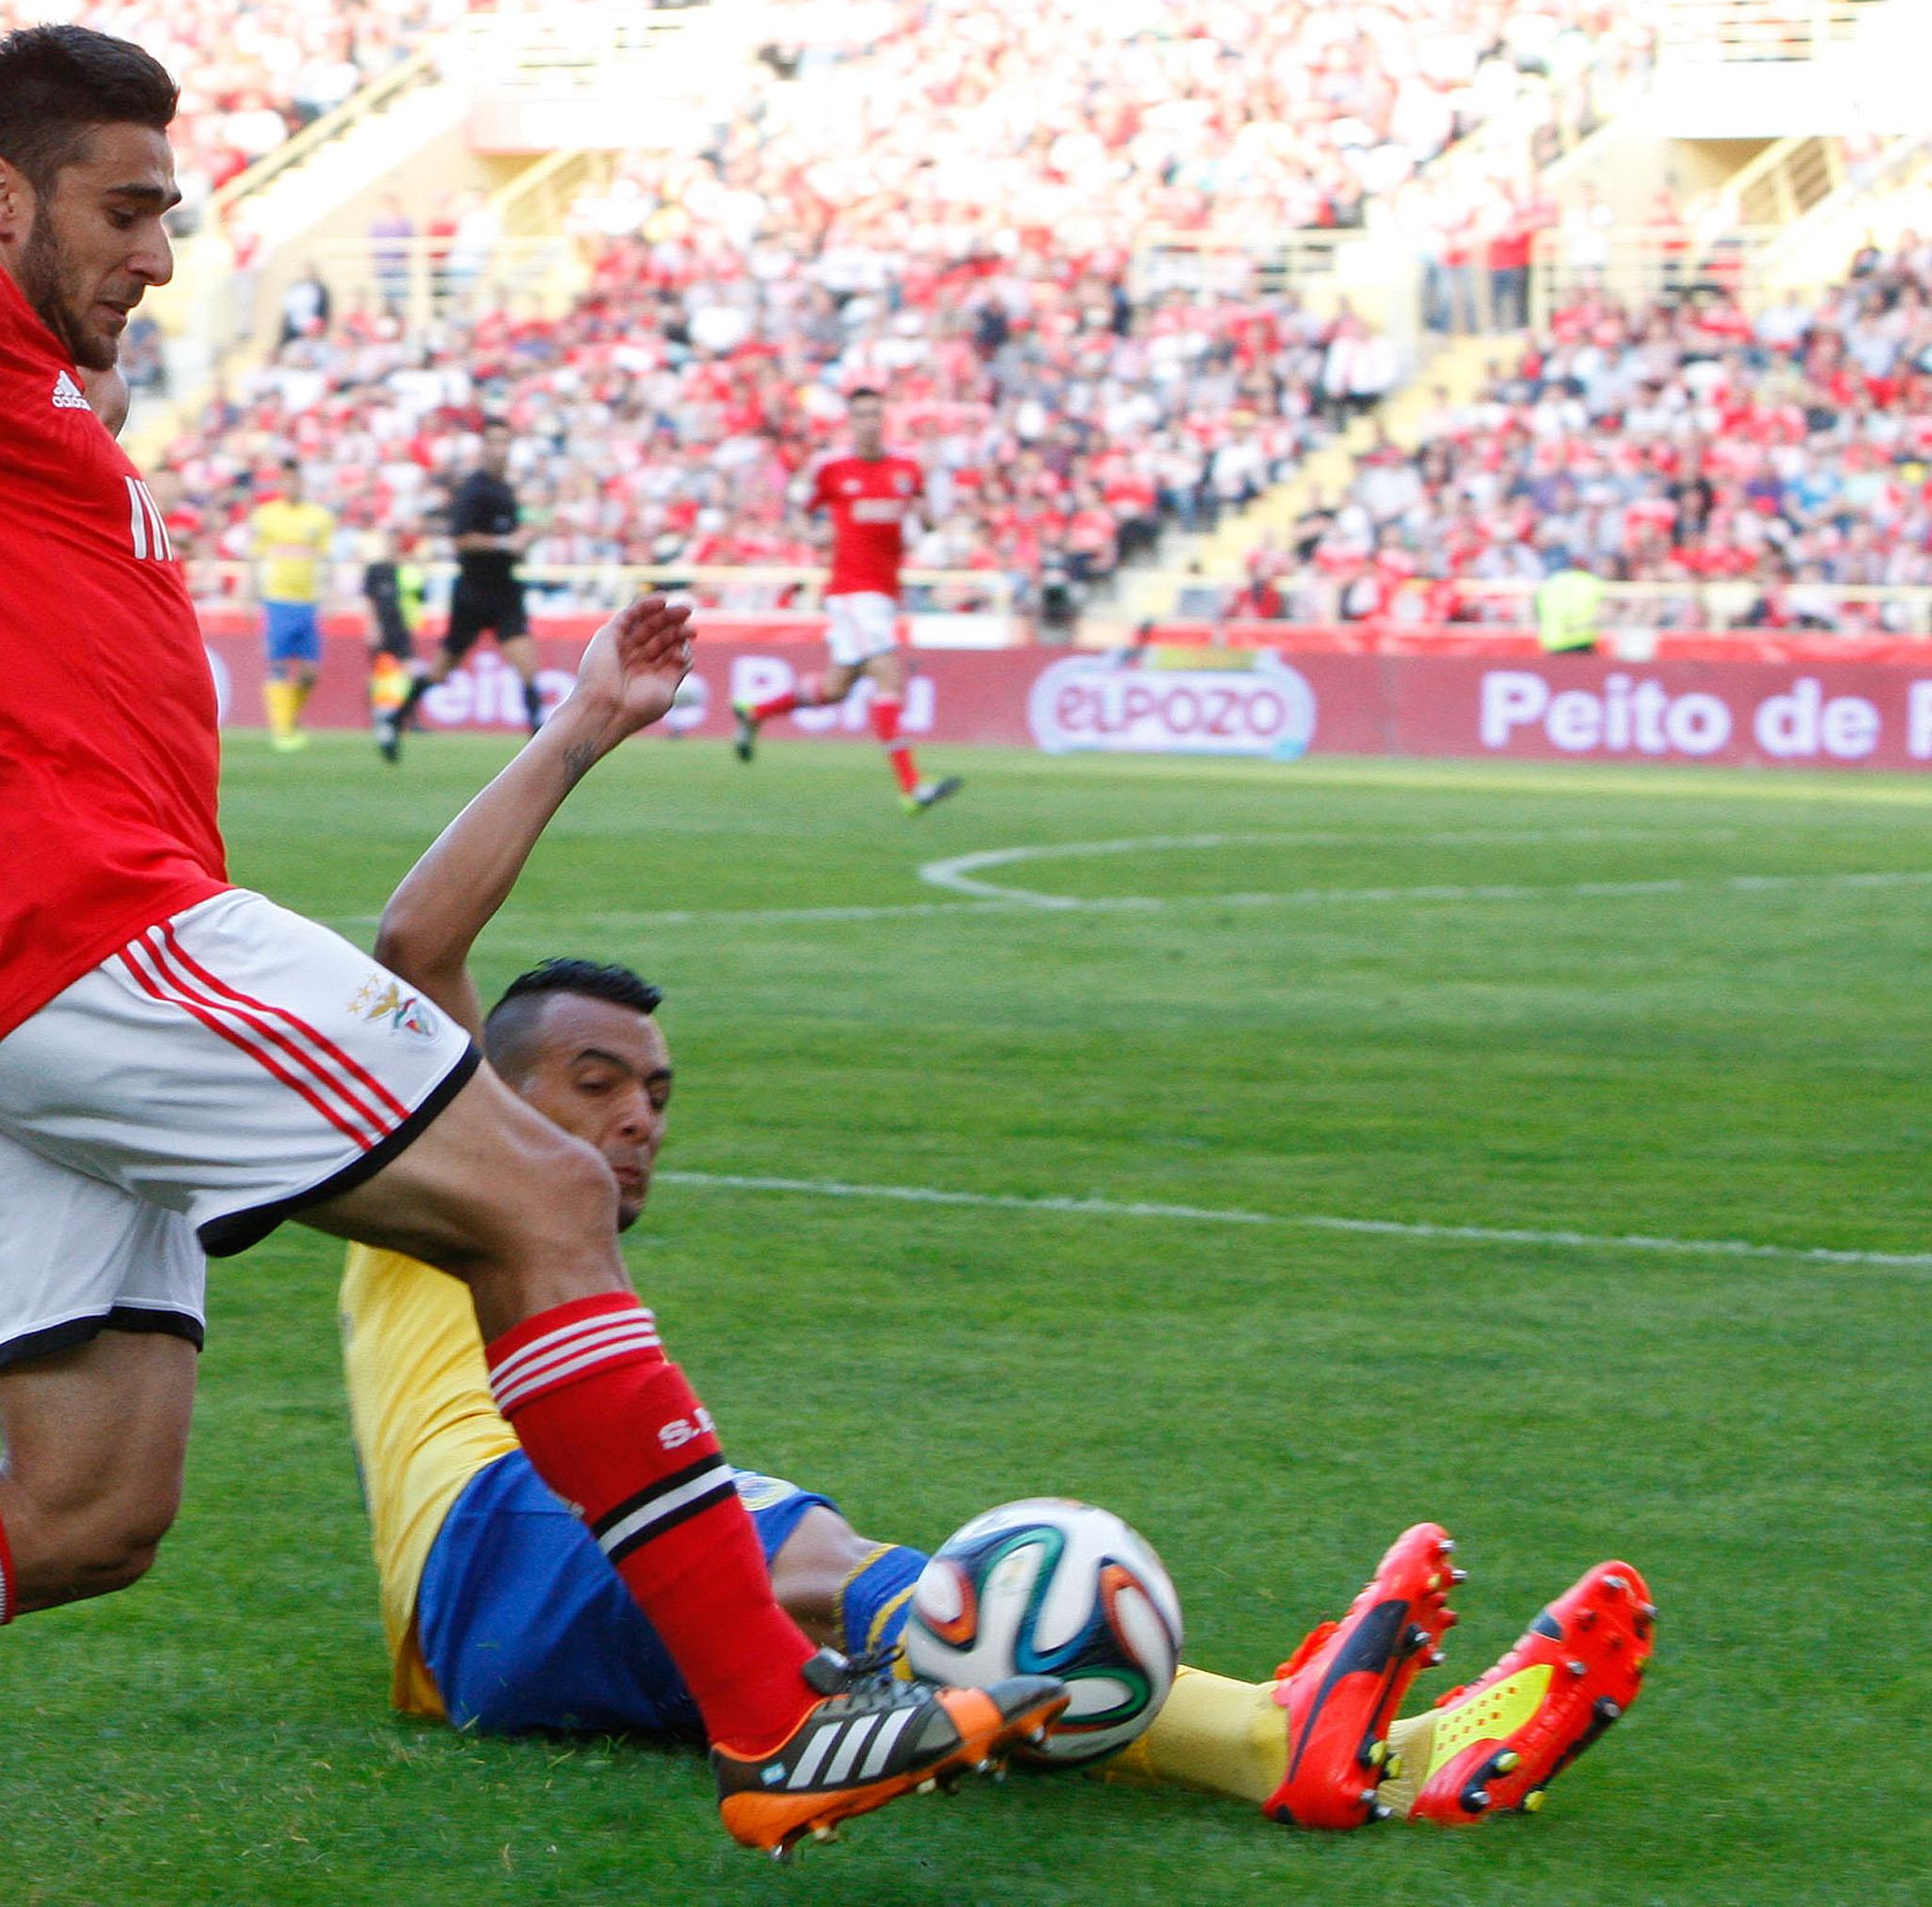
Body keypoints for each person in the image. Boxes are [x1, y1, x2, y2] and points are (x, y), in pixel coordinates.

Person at [0, 25, 1053, 1878]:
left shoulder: (24, 403)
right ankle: (773, 1719)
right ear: (0, 196)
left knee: (84, 1511)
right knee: (546, 1196)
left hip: (8, 996)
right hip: (94, 931)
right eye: (126, 207)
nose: (159, 251)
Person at [341, 653, 1657, 1830]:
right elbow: (415, 939)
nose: (638, 1118)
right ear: (488, 1087)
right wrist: (587, 719)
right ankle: (1283, 1728)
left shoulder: (544, 1240)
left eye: (659, 1095)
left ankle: (1361, 1748)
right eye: (596, 1080)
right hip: (494, 1540)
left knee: (908, 1684)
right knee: (825, 1563)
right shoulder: (449, 1145)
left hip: (499, 1615)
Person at [731, 388, 961, 814]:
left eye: (876, 414)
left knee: (837, 688)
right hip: (853, 593)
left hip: (883, 592)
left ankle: (756, 710)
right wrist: (812, 534)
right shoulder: (834, 471)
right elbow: (800, 511)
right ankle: (911, 787)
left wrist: (928, 515)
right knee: (888, 677)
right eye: (861, 415)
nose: (869, 422)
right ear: (850, 423)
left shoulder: (906, 470)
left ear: (884, 419)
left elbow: (926, 519)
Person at [381, 421, 538, 763]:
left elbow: (508, 542)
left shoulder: (506, 491)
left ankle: (541, 746)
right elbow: (460, 539)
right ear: (484, 448)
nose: (501, 449)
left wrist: (521, 543)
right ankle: (394, 719)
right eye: (495, 442)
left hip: (504, 590)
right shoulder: (474, 491)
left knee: (527, 668)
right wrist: (504, 542)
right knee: (440, 670)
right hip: (473, 593)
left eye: (506, 443)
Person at [246, 460, 337, 752]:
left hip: (308, 601)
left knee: (311, 671)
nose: (290, 486)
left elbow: (325, 560)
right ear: (279, 484)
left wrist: (330, 594)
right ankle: (282, 730)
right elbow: (255, 559)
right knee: (279, 665)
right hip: (277, 599)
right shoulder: (266, 516)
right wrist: (250, 596)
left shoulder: (319, 517)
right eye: (285, 481)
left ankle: (291, 718)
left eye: (295, 481)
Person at [361, 534, 426, 743]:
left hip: (401, 630)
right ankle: (380, 718)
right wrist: (372, 625)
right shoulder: (376, 570)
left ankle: (407, 718)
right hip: (383, 628)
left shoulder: (407, 571)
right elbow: (370, 600)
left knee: (412, 675)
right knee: (380, 676)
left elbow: (418, 600)